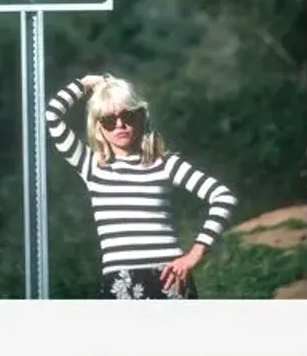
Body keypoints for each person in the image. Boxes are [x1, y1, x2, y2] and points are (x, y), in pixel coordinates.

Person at [45, 73, 238, 299]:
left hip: (170, 280)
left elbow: (223, 197)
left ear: (141, 117)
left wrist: (194, 254)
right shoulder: (91, 166)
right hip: (119, 283)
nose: (120, 124)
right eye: (109, 119)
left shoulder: (165, 163)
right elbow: (52, 116)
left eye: (127, 115)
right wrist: (86, 83)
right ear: (98, 128)